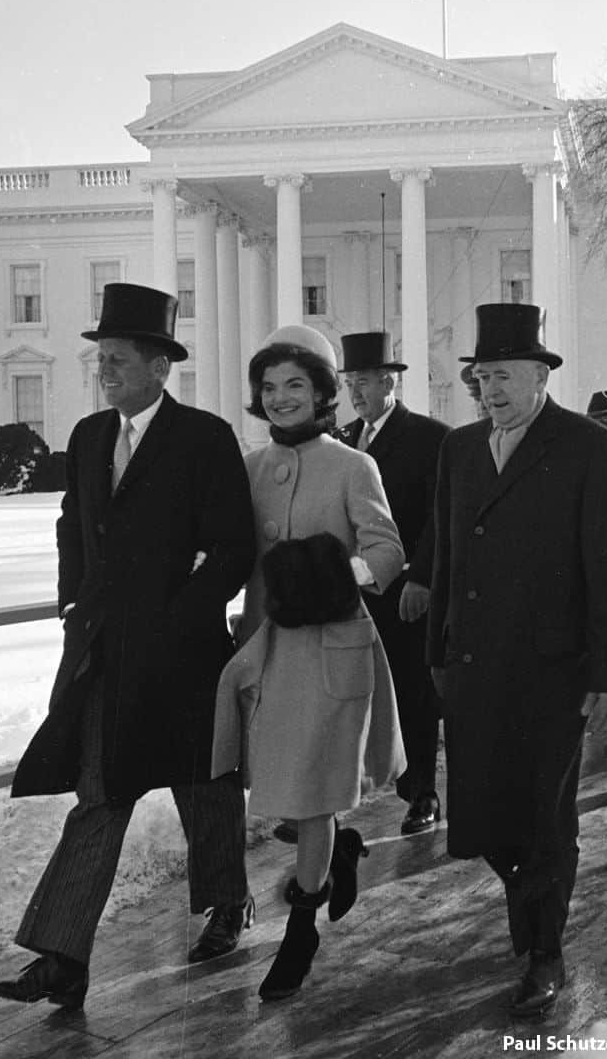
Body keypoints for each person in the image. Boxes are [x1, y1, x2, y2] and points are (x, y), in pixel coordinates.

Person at [0, 283, 257, 1008]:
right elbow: (73, 522)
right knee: (100, 796)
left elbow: (235, 549)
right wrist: (73, 595)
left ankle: (226, 904)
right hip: (107, 654)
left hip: (188, 656)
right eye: (101, 358)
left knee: (207, 789)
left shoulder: (204, 438)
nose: (105, 371)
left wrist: (183, 614)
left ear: (160, 367)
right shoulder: (88, 437)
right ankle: (61, 959)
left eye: (119, 359)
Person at [426, 303, 607, 1019]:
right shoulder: (458, 450)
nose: (491, 390)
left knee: (546, 819)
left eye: (506, 376)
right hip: (475, 666)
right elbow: (447, 558)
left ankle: (546, 952)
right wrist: (437, 655)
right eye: (482, 377)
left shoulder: (582, 444)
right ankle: (529, 902)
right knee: (483, 815)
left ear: (542, 375)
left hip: (555, 670)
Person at [222, 324, 405, 1000]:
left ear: (324, 392)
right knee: (292, 796)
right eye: (268, 387)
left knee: (315, 791)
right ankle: (337, 855)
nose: (279, 398)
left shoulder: (354, 466)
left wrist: (336, 573)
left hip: (332, 651)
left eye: (295, 384)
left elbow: (388, 553)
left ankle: (300, 933)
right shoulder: (247, 467)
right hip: (267, 651)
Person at [336, 330, 449, 834]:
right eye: (349, 382)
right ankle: (340, 794)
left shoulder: (429, 437)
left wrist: (422, 579)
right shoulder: (342, 440)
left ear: (389, 381)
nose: (355, 392)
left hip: (403, 594)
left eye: (363, 381)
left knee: (412, 694)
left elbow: (438, 519)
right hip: (353, 597)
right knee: (351, 694)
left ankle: (421, 792)